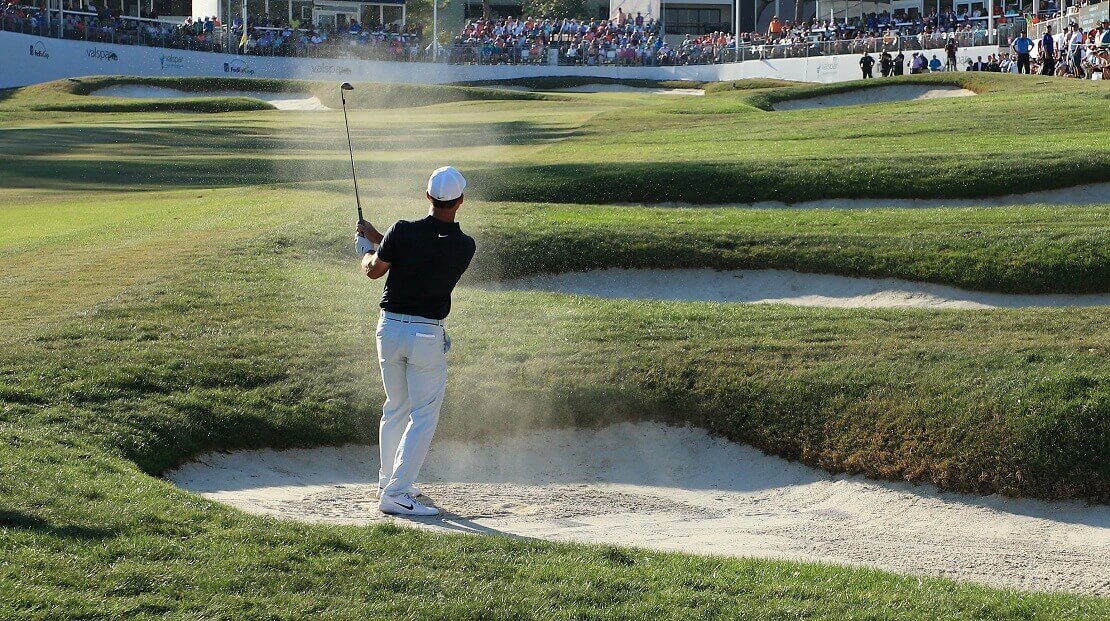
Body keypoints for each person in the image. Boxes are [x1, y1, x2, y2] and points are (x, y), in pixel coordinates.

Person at [356, 166, 477, 517]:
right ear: (460, 201)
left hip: (390, 329)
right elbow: (425, 256)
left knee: (396, 407)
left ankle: (389, 481)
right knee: (423, 415)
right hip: (426, 335)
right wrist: (382, 239)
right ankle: (395, 493)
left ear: (428, 197)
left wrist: (367, 249)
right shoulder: (465, 246)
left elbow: (375, 269)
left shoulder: (402, 231)